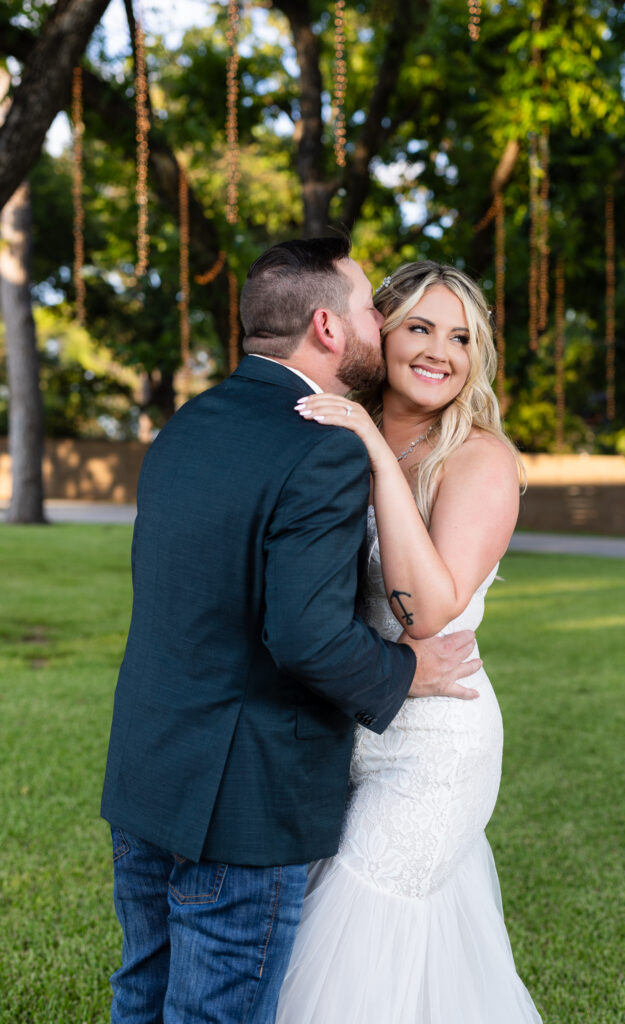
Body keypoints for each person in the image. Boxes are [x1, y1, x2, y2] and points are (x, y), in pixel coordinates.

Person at [100, 238, 483, 1024]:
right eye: (373, 312)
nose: (383, 324)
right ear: (328, 327)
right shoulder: (320, 445)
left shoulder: (190, 425)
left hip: (149, 776)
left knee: (141, 993)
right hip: (240, 796)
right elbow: (305, 637)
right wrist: (409, 672)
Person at [276, 261, 542, 1023]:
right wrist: (357, 432)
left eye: (460, 336)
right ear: (379, 331)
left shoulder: (479, 459)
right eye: (419, 327)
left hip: (432, 747)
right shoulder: (326, 427)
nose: (439, 351)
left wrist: (372, 448)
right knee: (404, 962)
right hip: (341, 726)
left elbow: (425, 613)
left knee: (353, 944)